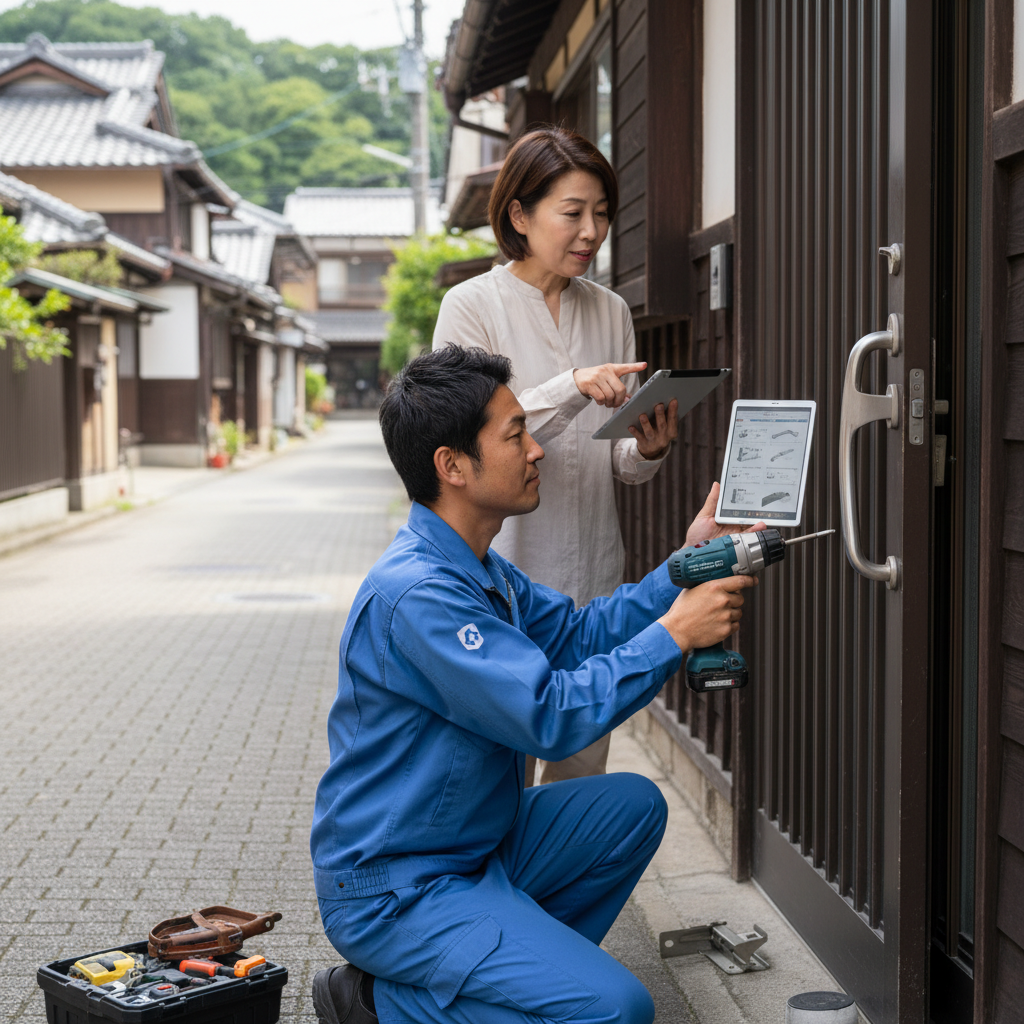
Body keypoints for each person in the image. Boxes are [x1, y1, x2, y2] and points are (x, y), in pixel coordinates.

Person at [309, 345, 757, 1024]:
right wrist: (675, 635)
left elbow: (579, 635)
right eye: (515, 435)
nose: (536, 451)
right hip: (398, 888)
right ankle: (378, 1003)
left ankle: (521, 980)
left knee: (631, 807)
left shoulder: (481, 569)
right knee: (619, 1010)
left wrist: (684, 568)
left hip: (477, 848)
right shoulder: (421, 595)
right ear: (452, 466)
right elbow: (549, 716)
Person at [433, 126, 677, 785]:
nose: (591, 231)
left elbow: (612, 457)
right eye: (573, 213)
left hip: (593, 564)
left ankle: (560, 888)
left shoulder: (611, 310)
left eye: (601, 214)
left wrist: (645, 450)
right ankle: (497, 885)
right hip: (507, 567)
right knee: (498, 759)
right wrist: (568, 387)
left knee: (581, 763)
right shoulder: (471, 307)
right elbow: (470, 429)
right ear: (520, 214)